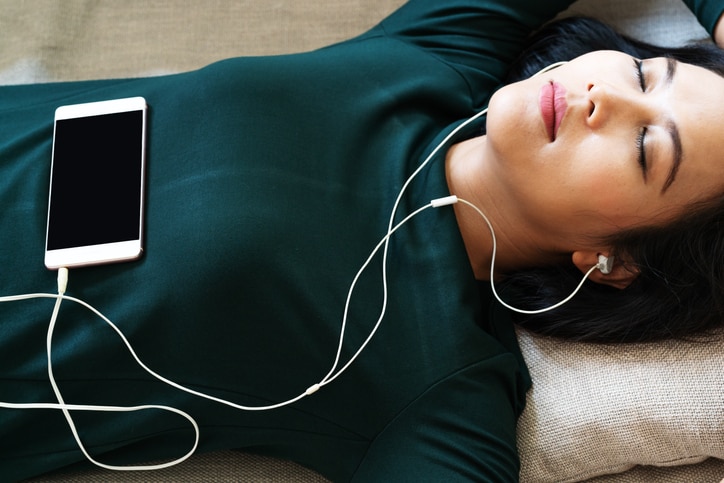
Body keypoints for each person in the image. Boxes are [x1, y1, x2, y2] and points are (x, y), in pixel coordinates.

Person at [1, 0, 723, 481]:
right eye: (641, 71)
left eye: (646, 148)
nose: (608, 96)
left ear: (615, 262)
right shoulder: (442, 57)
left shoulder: (441, 385)